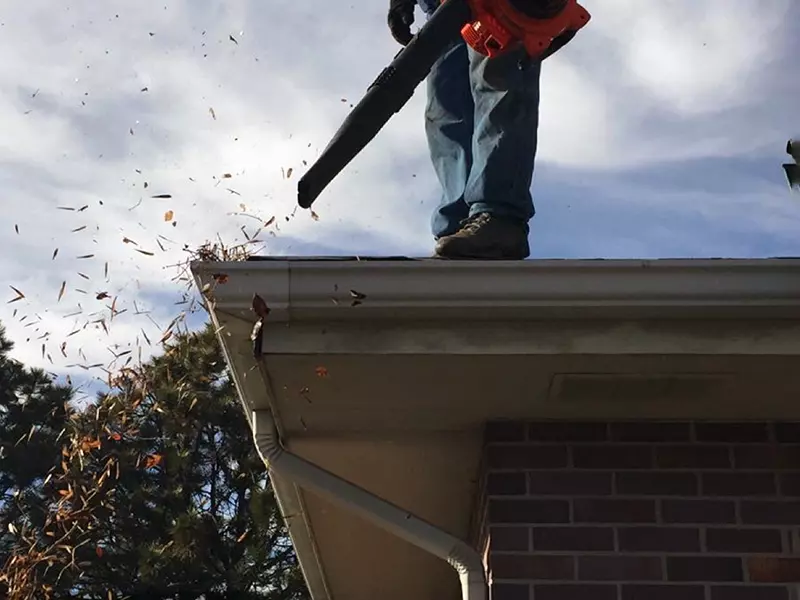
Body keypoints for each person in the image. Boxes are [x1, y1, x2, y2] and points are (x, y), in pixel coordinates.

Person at [388, 0, 567, 260]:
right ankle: (461, 225)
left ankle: (497, 217)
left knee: (497, 82)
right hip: (442, 7)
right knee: (446, 106)